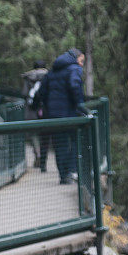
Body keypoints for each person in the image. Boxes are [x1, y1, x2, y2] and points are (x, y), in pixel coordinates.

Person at [38, 48, 90, 184]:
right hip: (70, 114)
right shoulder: (74, 69)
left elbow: (42, 91)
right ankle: (72, 170)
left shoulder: (52, 71)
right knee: (76, 141)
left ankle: (63, 176)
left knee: (60, 144)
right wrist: (80, 104)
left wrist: (47, 107)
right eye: (81, 61)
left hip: (53, 115)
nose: (82, 64)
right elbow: (75, 86)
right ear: (76, 58)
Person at [22, 59, 50, 171]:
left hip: (31, 110)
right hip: (45, 109)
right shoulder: (49, 76)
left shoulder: (28, 77)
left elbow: (24, 93)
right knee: (45, 135)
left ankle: (37, 153)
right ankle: (43, 158)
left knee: (34, 134)